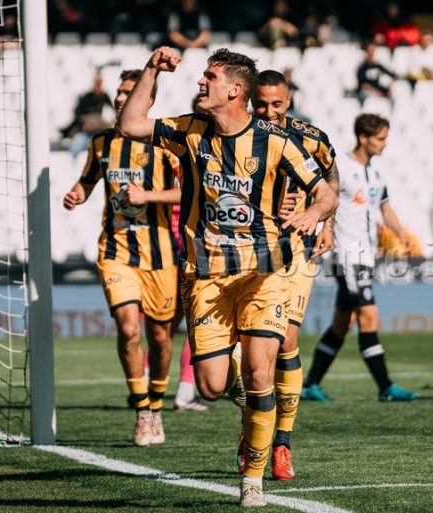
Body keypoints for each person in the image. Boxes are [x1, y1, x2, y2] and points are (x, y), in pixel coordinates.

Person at [117, 47, 338, 507]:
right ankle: (249, 402)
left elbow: (326, 193)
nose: (201, 82)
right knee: (211, 386)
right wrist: (152, 70)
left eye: (210, 77)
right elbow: (130, 124)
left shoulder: (276, 142)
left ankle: (253, 479)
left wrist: (314, 214)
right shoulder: (190, 131)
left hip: (265, 273)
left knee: (261, 371)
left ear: (235, 89)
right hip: (207, 276)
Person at [63, 69, 181, 447]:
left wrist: (148, 196)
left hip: (160, 256)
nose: (119, 98)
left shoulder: (166, 144)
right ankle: (142, 411)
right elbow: (88, 181)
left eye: (129, 93)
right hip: (116, 252)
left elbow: (193, 192)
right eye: (118, 92)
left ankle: (157, 405)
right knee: (129, 329)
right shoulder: (102, 142)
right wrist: (77, 193)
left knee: (159, 337)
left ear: (148, 101)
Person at [249, 69, 341, 481]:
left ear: (288, 101)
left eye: (277, 104)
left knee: (286, 340)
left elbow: (332, 178)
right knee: (246, 355)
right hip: (245, 252)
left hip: (295, 252)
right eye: (261, 104)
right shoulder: (236, 136)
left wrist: (327, 224)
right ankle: (253, 420)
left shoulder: (311, 138)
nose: (269, 111)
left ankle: (282, 443)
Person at [301, 113, 418, 403]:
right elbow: (324, 201)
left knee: (343, 323)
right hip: (346, 255)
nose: (384, 144)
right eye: (380, 139)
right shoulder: (341, 168)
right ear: (363, 138)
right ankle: (386, 387)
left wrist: (400, 233)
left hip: (366, 255)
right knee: (369, 315)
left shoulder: (377, 172)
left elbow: (385, 208)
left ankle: (311, 384)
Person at [61, 73, 114, 158]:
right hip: (85, 131)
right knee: (76, 146)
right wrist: (85, 123)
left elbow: (113, 111)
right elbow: (78, 114)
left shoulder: (104, 96)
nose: (99, 85)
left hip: (98, 131)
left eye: (100, 83)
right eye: (97, 82)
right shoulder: (86, 97)